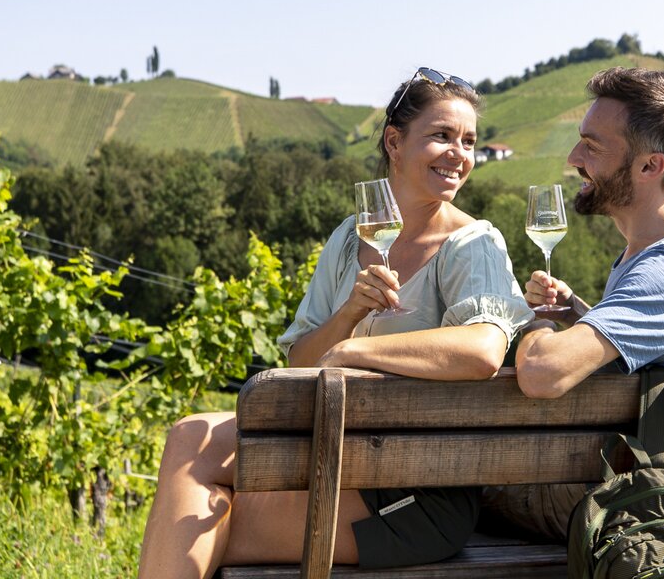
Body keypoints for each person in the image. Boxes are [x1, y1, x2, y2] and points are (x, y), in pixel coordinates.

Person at [138, 68, 533, 579]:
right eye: (442, 136)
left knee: (192, 526)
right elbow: (302, 361)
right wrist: (349, 314)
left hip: (413, 496)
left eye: (469, 141)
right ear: (394, 141)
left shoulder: (472, 242)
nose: (459, 154)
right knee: (190, 436)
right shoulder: (351, 237)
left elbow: (482, 350)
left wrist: (355, 352)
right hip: (336, 457)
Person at [485, 66, 664, 542]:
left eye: (593, 146)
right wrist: (576, 311)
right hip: (615, 486)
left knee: (429, 486)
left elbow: (542, 374)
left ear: (649, 166)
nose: (574, 157)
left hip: (607, 507)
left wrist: (534, 318)